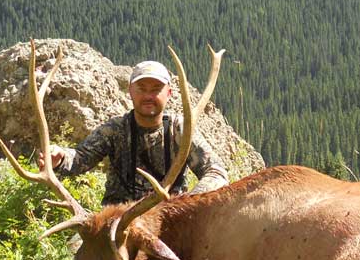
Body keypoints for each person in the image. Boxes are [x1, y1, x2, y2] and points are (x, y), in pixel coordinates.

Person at [42, 59, 229, 205]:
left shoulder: (180, 130)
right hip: (119, 220)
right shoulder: (114, 130)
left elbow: (216, 172)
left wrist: (189, 202)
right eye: (141, 89)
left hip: (168, 218)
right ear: (130, 91)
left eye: (156, 89)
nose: (148, 96)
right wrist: (61, 158)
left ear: (169, 93)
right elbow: (80, 158)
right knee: (78, 249)